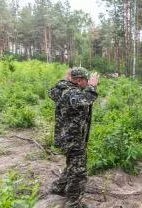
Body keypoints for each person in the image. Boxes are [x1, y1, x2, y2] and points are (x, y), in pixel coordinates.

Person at [48, 67, 99, 208]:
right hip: (73, 139)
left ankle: (59, 187)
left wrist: (66, 79)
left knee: (72, 164)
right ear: (78, 80)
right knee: (79, 172)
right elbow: (86, 99)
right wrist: (92, 86)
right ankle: (74, 203)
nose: (87, 82)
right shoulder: (72, 93)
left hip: (65, 137)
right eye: (85, 80)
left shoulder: (61, 89)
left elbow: (52, 92)